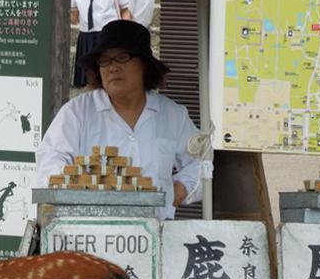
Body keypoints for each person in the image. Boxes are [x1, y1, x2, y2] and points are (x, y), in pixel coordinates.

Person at [37, 20, 201, 220]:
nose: (112, 67)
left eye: (122, 57)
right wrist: (81, 186)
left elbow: (201, 163)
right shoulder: (77, 112)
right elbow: (49, 164)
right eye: (105, 61)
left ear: (145, 65)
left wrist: (178, 191)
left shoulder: (173, 115)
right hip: (90, 235)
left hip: (156, 233)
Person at [70, 0, 130, 88]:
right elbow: (74, 18)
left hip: (109, 35)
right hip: (86, 36)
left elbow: (125, 10)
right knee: (90, 79)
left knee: (111, 74)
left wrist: (124, 33)